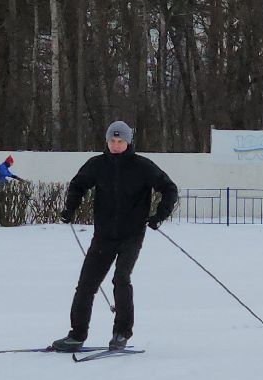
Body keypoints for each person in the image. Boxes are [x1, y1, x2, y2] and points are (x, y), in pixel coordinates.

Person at [52, 120, 177, 352]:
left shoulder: (142, 166)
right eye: (112, 140)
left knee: (121, 280)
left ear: (128, 142)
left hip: (131, 236)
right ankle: (77, 335)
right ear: (107, 141)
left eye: (120, 141)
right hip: (103, 236)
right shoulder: (97, 165)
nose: (116, 145)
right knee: (86, 285)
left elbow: (169, 189)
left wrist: (158, 215)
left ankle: (121, 333)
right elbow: (78, 185)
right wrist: (70, 208)